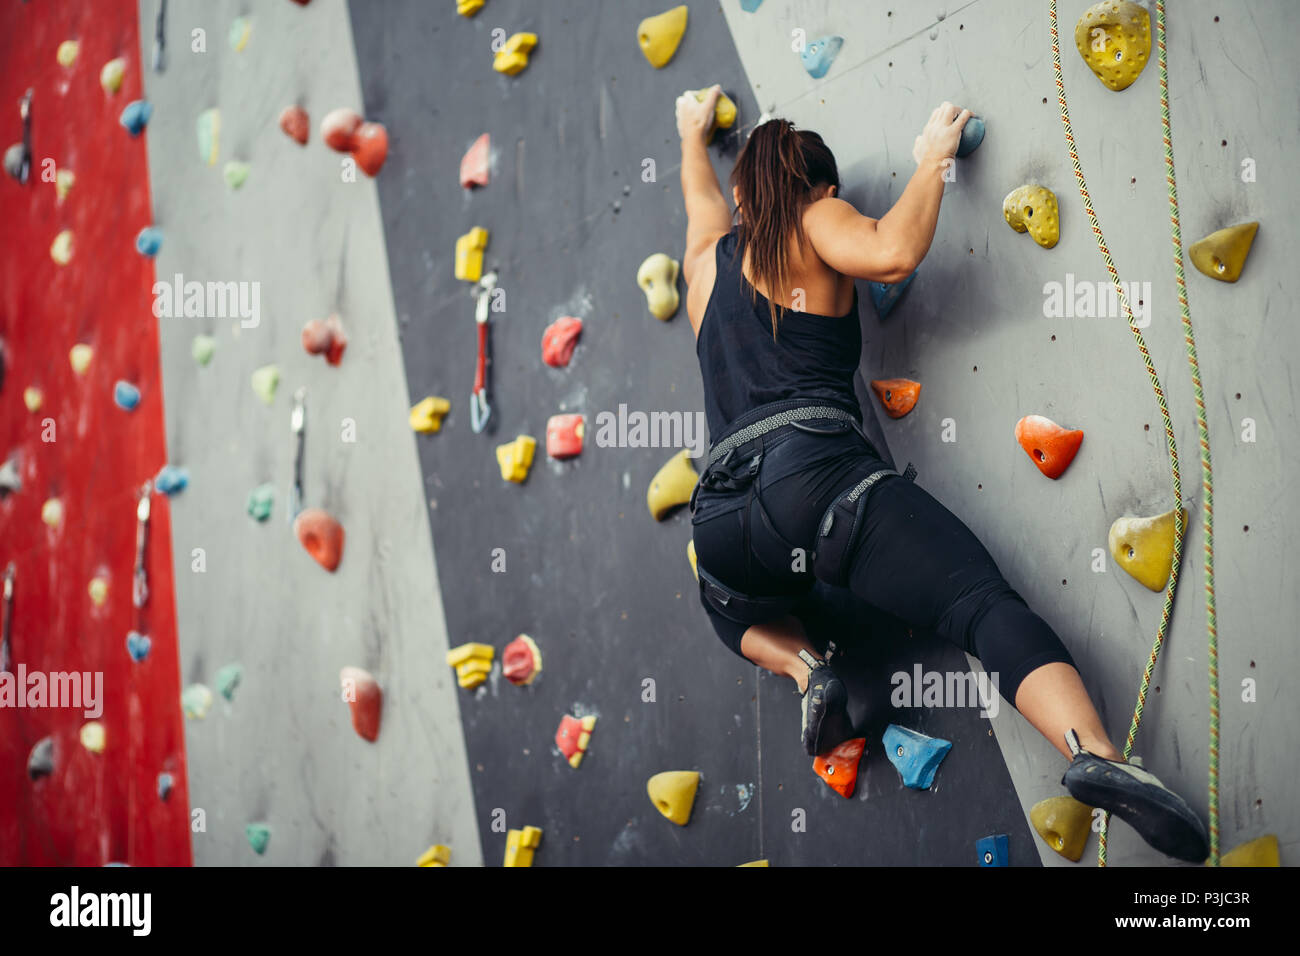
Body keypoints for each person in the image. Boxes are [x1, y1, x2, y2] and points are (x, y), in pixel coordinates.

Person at [674, 87, 1209, 863]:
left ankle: (805, 669)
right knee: (975, 601)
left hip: (721, 520)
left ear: (740, 196)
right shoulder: (812, 216)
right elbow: (891, 249)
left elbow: (700, 205)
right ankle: (1094, 750)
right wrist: (931, 160)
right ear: (817, 188)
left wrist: (693, 134)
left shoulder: (704, 267)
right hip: (814, 480)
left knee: (725, 609)